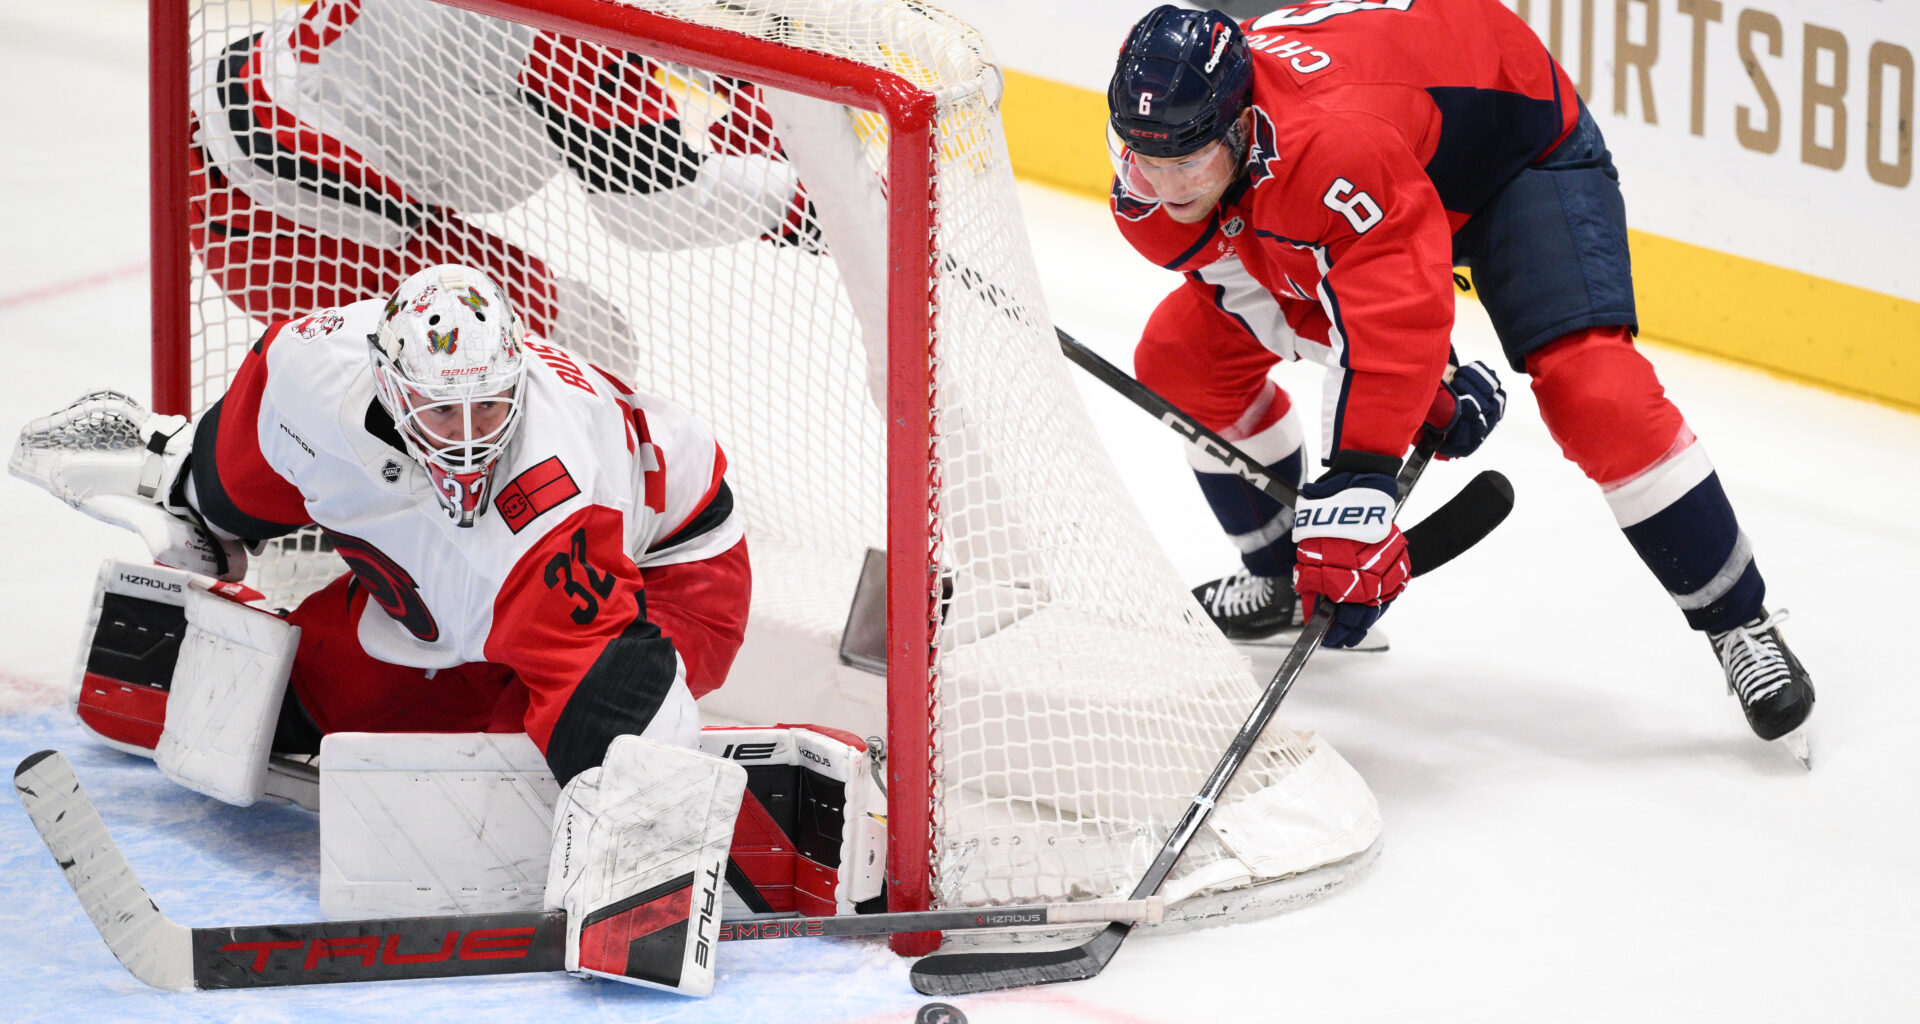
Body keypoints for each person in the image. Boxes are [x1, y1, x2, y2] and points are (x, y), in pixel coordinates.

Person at [12, 263, 752, 993]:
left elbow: (614, 694)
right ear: (391, 389)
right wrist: (187, 498)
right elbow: (235, 480)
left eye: (490, 409)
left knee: (508, 780)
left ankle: (719, 810)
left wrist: (647, 881)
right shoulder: (311, 374)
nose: (468, 440)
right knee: (279, 704)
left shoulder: (553, 505)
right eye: (442, 412)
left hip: (673, 572)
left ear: (517, 383)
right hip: (459, 584)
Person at [1102, 3, 1813, 747]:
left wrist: (1360, 480)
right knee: (1179, 358)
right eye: (1146, 156)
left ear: (1241, 125)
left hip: (1509, 152)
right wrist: (1424, 389)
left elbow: (1392, 302)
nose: (1165, 181)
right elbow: (1274, 295)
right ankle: (1282, 582)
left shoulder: (1326, 144)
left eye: (1186, 159)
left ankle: (1742, 623)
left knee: (1596, 393)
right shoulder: (1159, 161)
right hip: (1386, 159)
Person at [189, 0, 816, 368]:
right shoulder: (573, 29)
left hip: (265, 152)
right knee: (579, 356)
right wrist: (810, 204)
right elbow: (656, 209)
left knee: (574, 342)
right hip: (288, 216)